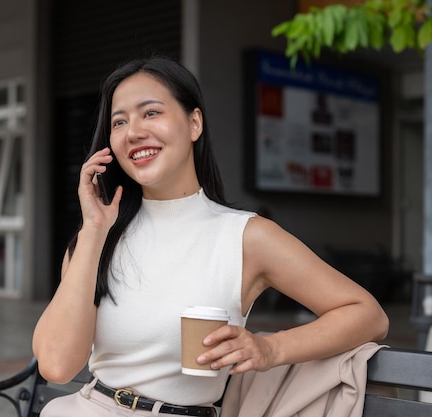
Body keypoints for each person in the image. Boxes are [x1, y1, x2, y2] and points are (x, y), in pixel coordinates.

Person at [32, 56, 389, 417]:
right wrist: (93, 232)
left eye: (151, 113)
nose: (133, 131)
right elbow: (56, 366)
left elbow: (367, 315)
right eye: (119, 121)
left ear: (194, 123)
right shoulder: (96, 238)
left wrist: (272, 350)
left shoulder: (245, 236)